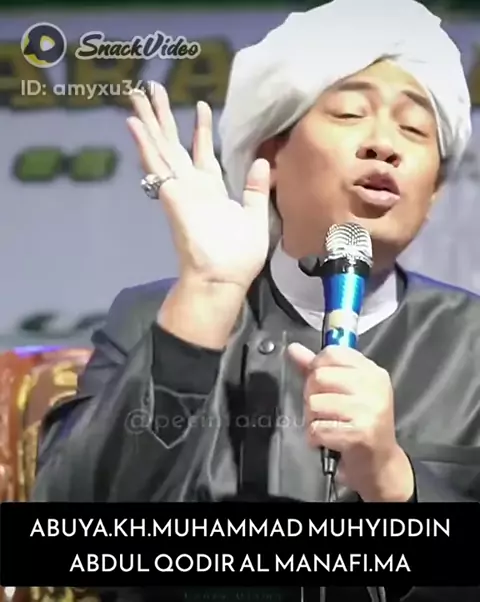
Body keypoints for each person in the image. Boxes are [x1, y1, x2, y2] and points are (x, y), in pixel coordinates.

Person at [33, 0, 479, 600]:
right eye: (350, 113)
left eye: (415, 130)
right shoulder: (155, 317)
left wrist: (395, 485)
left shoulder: (471, 343)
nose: (384, 145)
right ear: (270, 157)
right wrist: (207, 295)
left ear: (434, 193)